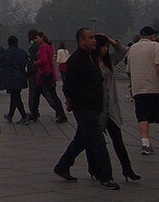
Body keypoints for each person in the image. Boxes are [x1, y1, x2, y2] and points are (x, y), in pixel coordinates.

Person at [53, 28, 119, 189]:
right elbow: (69, 86)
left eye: (93, 38)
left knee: (81, 140)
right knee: (97, 140)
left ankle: (62, 166)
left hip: (95, 105)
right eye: (90, 38)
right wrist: (69, 101)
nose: (94, 40)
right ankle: (106, 176)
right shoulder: (75, 61)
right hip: (83, 106)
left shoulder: (93, 57)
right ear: (81, 41)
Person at [94, 33, 139, 181]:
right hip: (97, 109)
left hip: (111, 108)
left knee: (118, 140)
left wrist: (109, 39)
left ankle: (127, 168)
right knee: (87, 141)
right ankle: (88, 167)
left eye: (106, 47)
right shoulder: (89, 63)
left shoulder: (110, 61)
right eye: (103, 47)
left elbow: (124, 51)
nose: (105, 50)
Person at [125, 25, 159, 155]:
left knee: (142, 117)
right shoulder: (155, 46)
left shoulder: (132, 48)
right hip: (155, 88)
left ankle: (145, 144)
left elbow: (128, 70)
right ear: (152, 36)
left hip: (138, 90)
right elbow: (158, 66)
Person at [34, 32, 67, 123]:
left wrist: (36, 62)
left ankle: (59, 113)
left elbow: (44, 60)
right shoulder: (50, 46)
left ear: (41, 38)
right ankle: (60, 113)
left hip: (44, 74)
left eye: (37, 38)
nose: (36, 40)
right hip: (49, 73)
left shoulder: (43, 47)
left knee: (48, 95)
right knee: (52, 94)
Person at [0, 35, 30, 124]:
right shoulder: (22, 52)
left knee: (16, 97)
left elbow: (0, 61)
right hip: (20, 76)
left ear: (8, 43)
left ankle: (24, 116)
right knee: (15, 96)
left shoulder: (6, 52)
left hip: (11, 78)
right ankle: (10, 115)